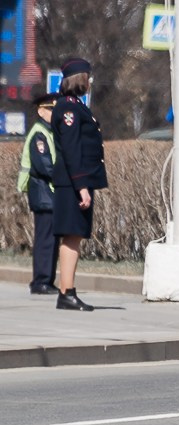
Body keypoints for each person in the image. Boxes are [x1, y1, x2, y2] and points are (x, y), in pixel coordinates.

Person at [47, 58, 106, 312]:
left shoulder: (74, 106)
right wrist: (82, 187)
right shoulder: (69, 109)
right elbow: (71, 151)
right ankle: (66, 292)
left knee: (74, 237)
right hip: (73, 184)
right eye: (88, 77)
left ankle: (67, 291)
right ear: (79, 79)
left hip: (75, 183)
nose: (90, 82)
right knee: (71, 237)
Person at [19, 93, 57, 293]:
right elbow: (44, 165)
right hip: (43, 193)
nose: (54, 114)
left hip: (49, 193)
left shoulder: (50, 131)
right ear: (41, 111)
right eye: (50, 110)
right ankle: (41, 281)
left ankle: (46, 280)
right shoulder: (39, 134)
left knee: (51, 238)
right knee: (45, 239)